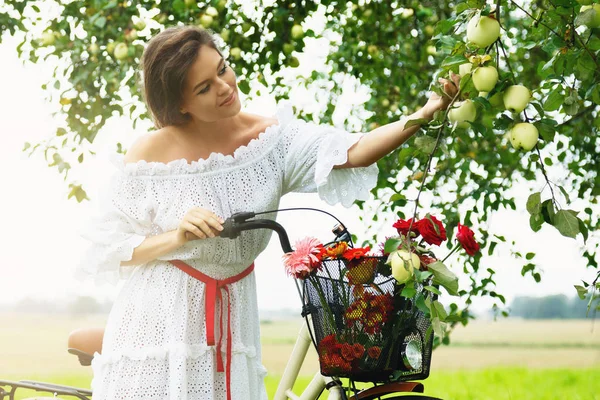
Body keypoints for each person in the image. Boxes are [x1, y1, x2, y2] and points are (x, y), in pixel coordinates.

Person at [75, 25, 459, 400]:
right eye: (204, 88)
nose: (225, 87)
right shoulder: (151, 152)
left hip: (235, 311)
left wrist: (427, 111)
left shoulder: (270, 141)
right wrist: (176, 235)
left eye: (222, 69)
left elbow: (354, 150)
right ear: (180, 103)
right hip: (161, 318)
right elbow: (110, 249)